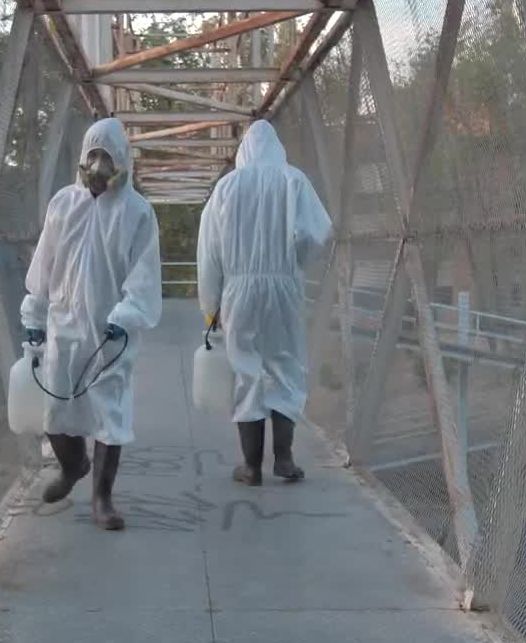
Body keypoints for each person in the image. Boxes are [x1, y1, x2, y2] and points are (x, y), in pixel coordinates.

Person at [21, 118, 163, 530]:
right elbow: (44, 267)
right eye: (93, 156)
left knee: (109, 413)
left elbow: (143, 275)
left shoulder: (136, 212)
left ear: (122, 161)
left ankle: (102, 499)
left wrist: (125, 316)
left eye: (108, 157)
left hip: (109, 332)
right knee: (56, 410)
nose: (100, 166)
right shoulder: (63, 204)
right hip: (62, 326)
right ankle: (72, 467)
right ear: (83, 158)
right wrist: (34, 315)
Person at [196, 120, 331, 486]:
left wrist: (211, 305)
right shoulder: (293, 180)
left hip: (239, 288)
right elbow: (316, 231)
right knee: (287, 366)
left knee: (246, 370)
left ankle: (251, 466)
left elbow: (209, 251)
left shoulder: (227, 187)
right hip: (283, 284)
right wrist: (293, 262)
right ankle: (284, 459)